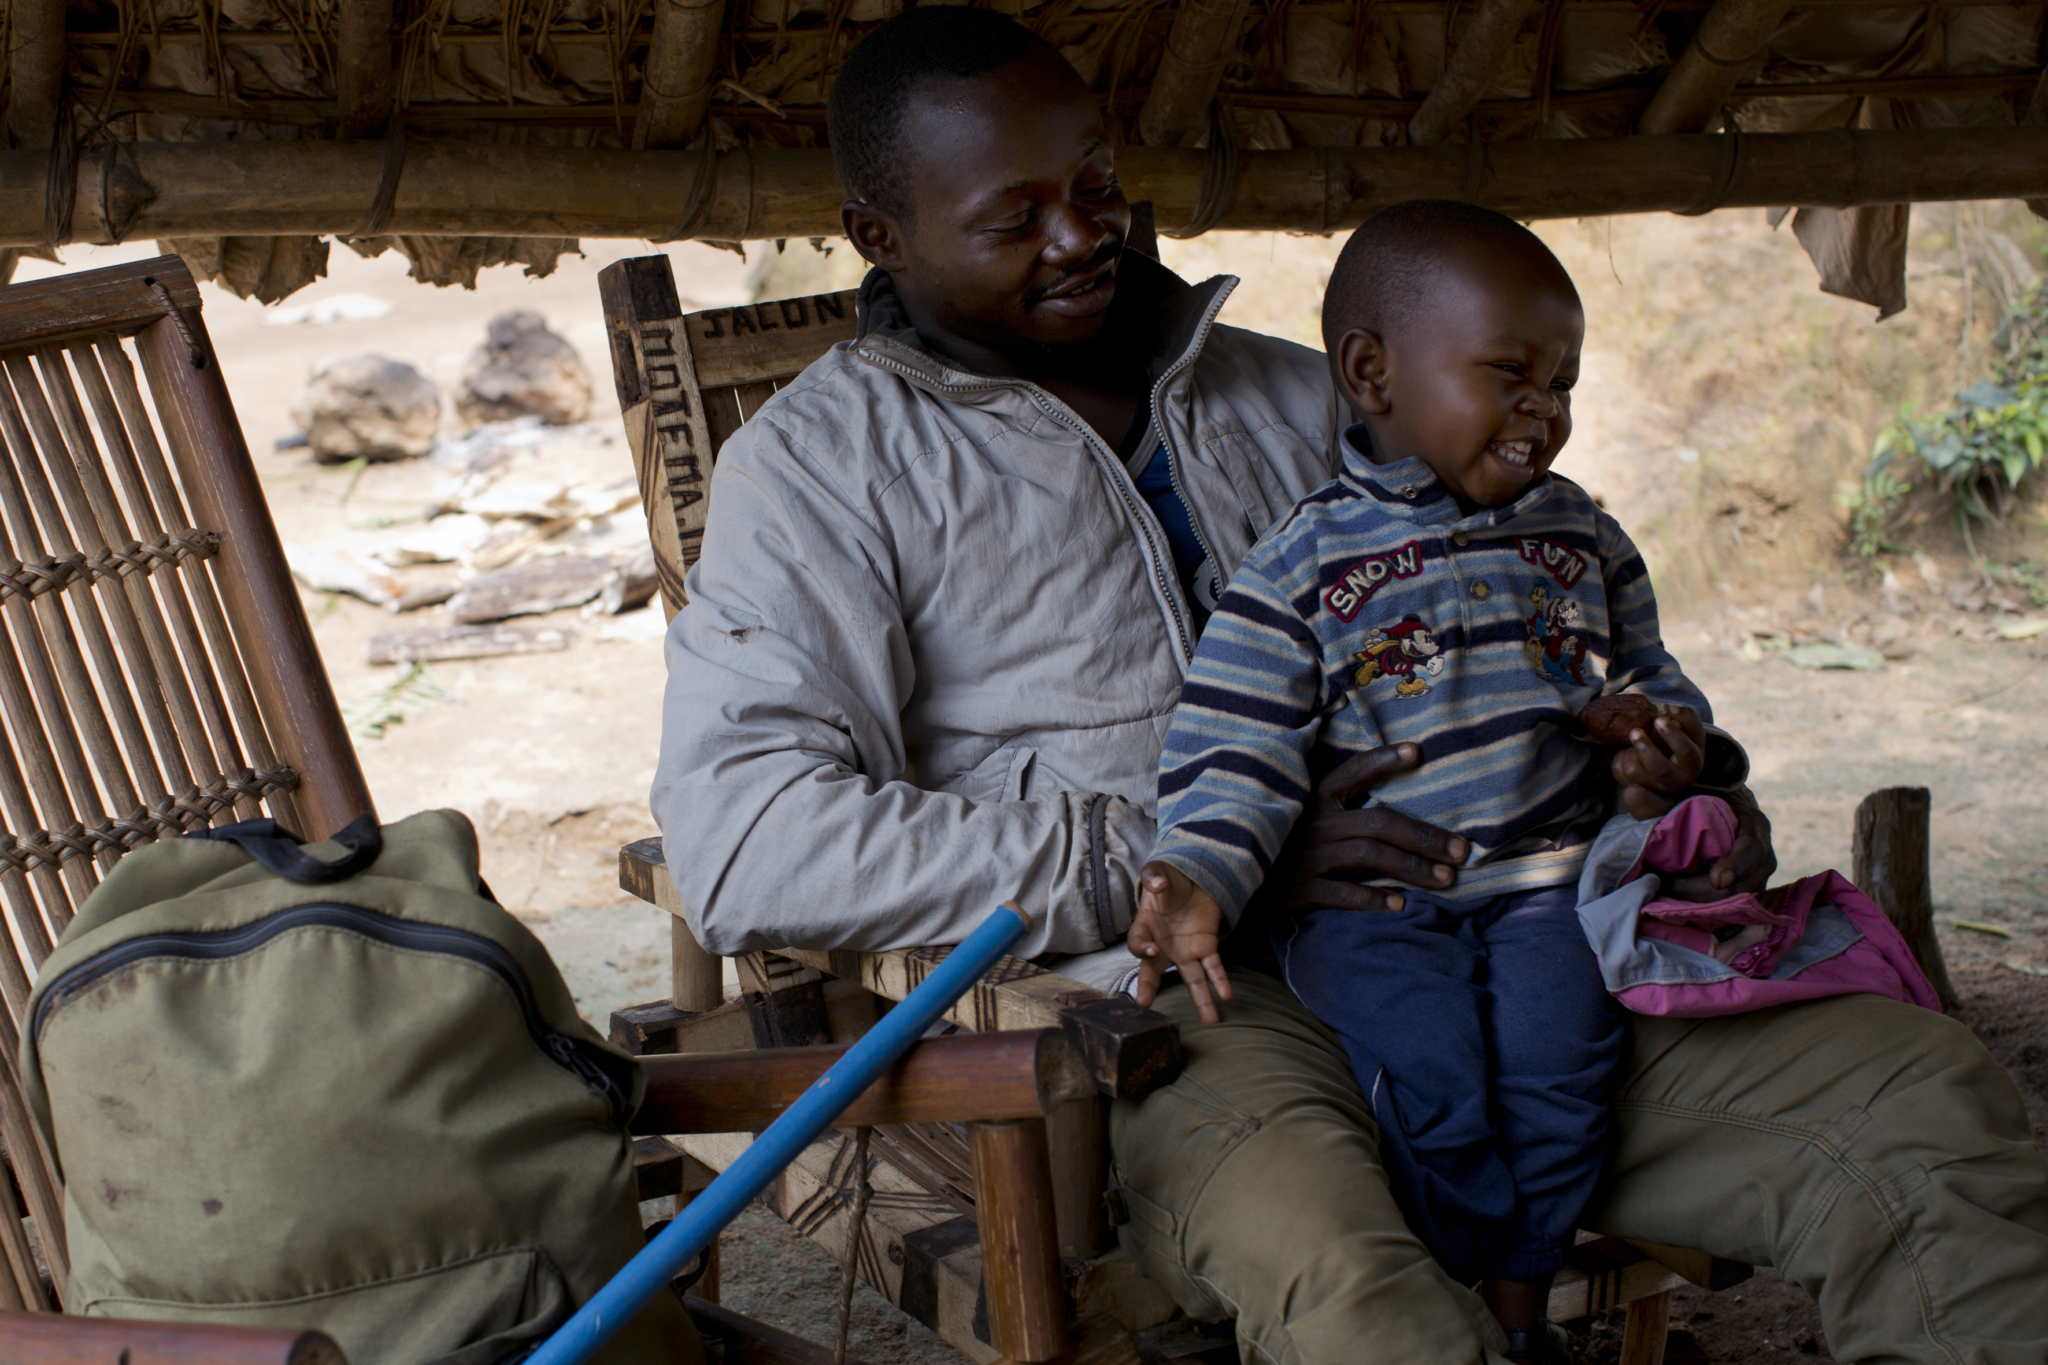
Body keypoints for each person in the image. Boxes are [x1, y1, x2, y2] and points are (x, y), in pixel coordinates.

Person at [650, 7, 2048, 1362]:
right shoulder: (824, 469)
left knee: (1920, 1111)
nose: (1083, 235)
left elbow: (1552, 622)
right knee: (1363, 1304)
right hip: (1185, 1019)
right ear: (878, 240)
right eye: (1015, 220)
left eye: (1095, 186)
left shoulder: (1320, 398)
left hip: (1515, 944)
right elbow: (744, 836)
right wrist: (1190, 854)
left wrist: (1656, 775)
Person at [1130, 202, 1730, 1361]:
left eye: (1562, 381)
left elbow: (1650, 668)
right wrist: (1197, 871)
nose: (1543, 409)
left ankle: (1516, 1312)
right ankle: (1453, 1283)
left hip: (1552, 883)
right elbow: (1235, 743)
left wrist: (1663, 734)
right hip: (1376, 915)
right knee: (1433, 1081)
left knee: (1562, 1077)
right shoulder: (1297, 564)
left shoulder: (1581, 538)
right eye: (1509, 373)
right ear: (1370, 371)